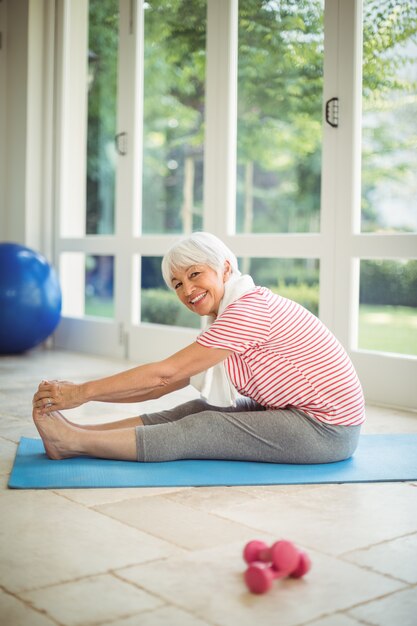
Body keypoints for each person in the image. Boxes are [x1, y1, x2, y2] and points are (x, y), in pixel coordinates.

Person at [32, 232, 365, 464]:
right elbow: (163, 386)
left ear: (225, 269)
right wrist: (80, 402)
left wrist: (81, 393)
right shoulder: (233, 309)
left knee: (205, 427)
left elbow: (165, 374)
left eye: (195, 274)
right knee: (195, 410)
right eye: (178, 284)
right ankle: (78, 435)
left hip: (328, 429)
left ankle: (74, 443)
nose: (187, 290)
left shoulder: (248, 311)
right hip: (300, 415)